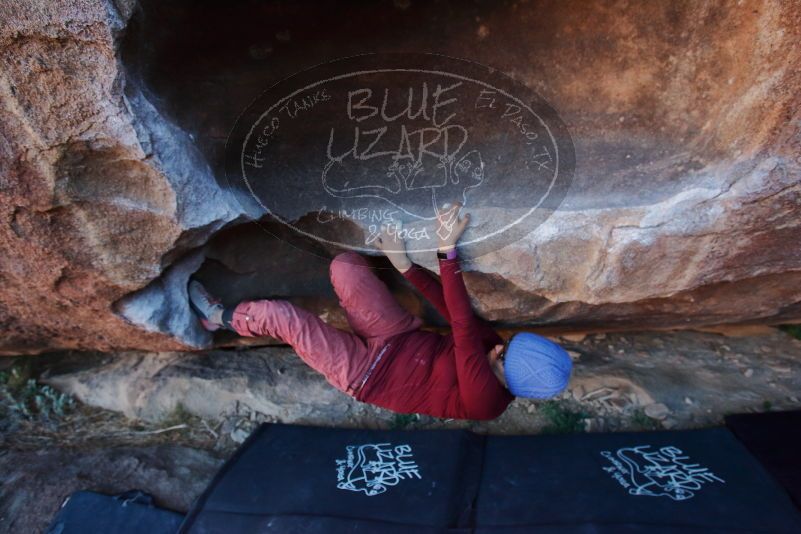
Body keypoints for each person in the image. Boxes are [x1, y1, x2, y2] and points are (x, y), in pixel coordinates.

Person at [188, 201, 572, 420]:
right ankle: (230, 317)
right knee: (347, 266)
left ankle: (219, 318)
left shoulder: (486, 400)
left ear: (510, 382)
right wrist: (403, 265)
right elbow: (458, 314)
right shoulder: (492, 354)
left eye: (502, 357)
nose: (496, 347)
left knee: (284, 318)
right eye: (506, 344)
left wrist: (446, 251)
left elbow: (463, 328)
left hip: (365, 375)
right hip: (396, 335)